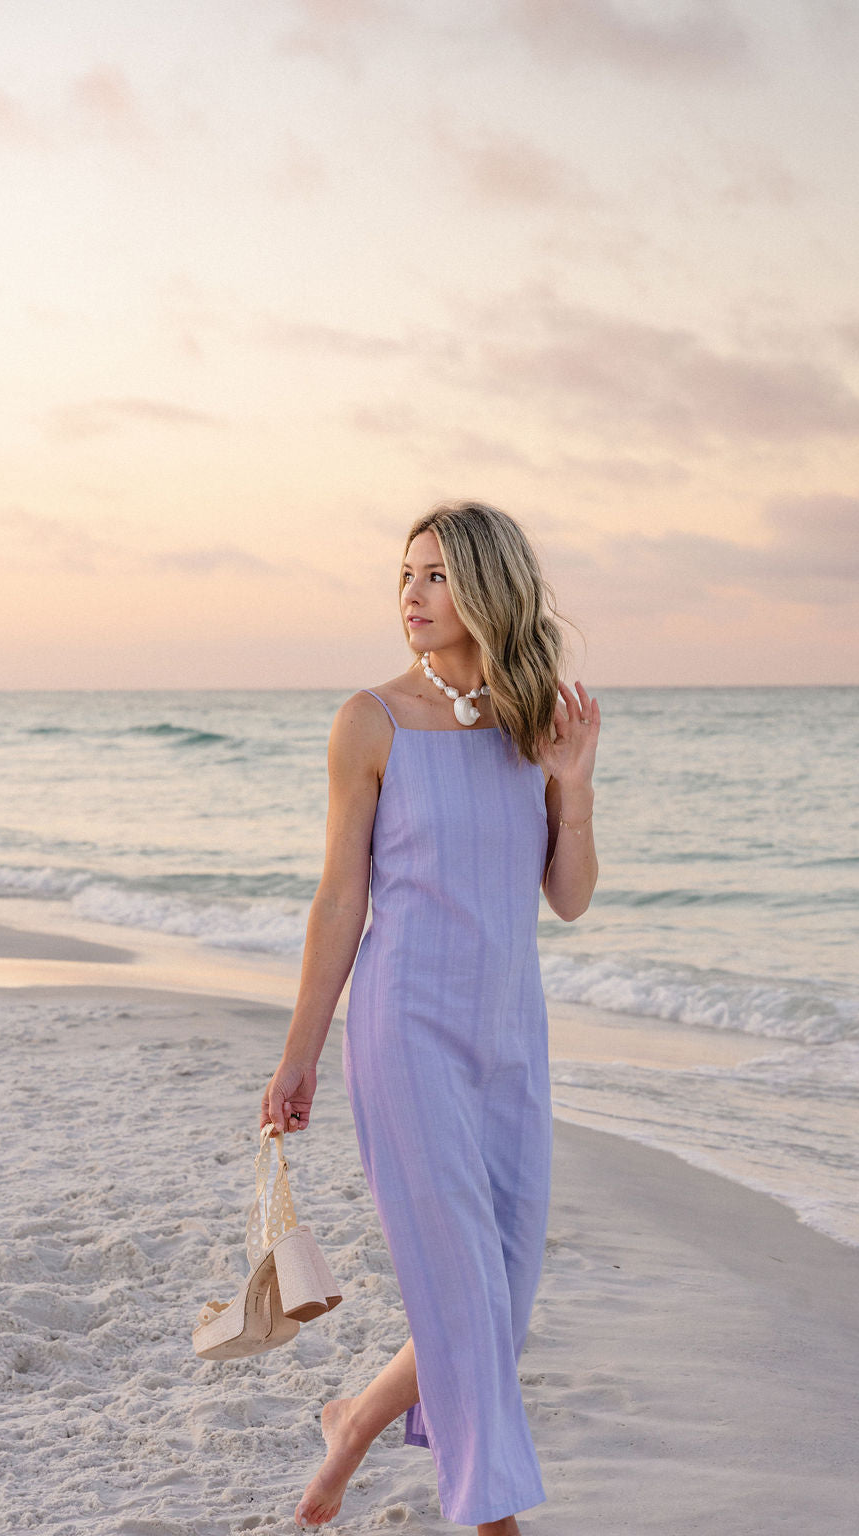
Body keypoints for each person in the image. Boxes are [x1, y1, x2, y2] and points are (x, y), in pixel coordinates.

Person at [260, 501, 600, 1534]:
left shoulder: (534, 716)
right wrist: (299, 1058)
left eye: (436, 577)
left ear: (486, 587)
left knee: (502, 1298)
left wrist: (573, 788)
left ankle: (353, 1421)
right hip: (403, 1027)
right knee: (464, 1298)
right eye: (405, 576)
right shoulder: (368, 719)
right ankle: (495, 1522)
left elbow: (569, 895)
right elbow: (337, 901)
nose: (411, 595)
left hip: (509, 1036)